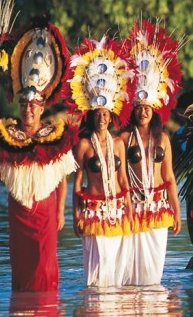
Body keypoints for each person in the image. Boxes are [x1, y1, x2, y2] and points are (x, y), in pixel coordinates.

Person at [0, 16, 76, 291]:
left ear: (42, 107)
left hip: (46, 211)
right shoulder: (7, 136)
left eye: (33, 106)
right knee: (21, 264)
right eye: (24, 105)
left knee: (46, 263)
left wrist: (60, 211)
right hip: (19, 210)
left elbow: (62, 177)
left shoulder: (54, 137)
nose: (28, 110)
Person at [68, 35, 135, 287]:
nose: (102, 119)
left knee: (116, 271)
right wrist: (75, 217)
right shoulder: (84, 146)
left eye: (105, 115)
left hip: (118, 209)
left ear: (111, 116)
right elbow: (77, 185)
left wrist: (129, 210)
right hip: (94, 211)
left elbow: (123, 179)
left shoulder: (118, 143)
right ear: (92, 117)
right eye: (97, 115)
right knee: (97, 273)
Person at [120, 20, 183, 285]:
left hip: (158, 207)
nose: (143, 111)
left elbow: (168, 177)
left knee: (154, 273)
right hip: (132, 205)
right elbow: (121, 178)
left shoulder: (163, 139)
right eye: (139, 107)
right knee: (131, 270)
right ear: (132, 110)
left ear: (154, 109)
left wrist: (176, 211)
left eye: (147, 107)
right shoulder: (123, 139)